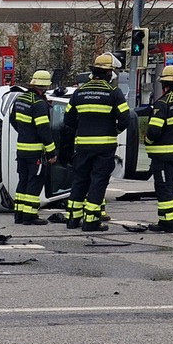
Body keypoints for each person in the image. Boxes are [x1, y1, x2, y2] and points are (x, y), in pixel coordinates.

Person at [63, 54, 130, 232]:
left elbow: (68, 120)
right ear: (108, 73)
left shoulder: (80, 92)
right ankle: (91, 221)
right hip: (104, 147)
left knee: (80, 180)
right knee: (98, 181)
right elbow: (125, 119)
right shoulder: (113, 92)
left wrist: (82, 129)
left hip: (83, 145)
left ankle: (73, 218)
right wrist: (113, 130)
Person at [144, 65, 173, 232]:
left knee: (163, 189)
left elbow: (154, 130)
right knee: (172, 186)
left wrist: (147, 141)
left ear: (164, 84)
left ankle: (166, 222)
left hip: (162, 156)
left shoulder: (162, 104)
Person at [9, 70, 56, 225]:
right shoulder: (39, 104)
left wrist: (25, 133)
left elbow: (13, 120)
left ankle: (19, 214)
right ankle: (30, 215)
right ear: (44, 87)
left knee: (23, 180)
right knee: (35, 181)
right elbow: (44, 131)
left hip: (21, 149)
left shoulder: (20, 99)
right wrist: (51, 152)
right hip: (35, 152)